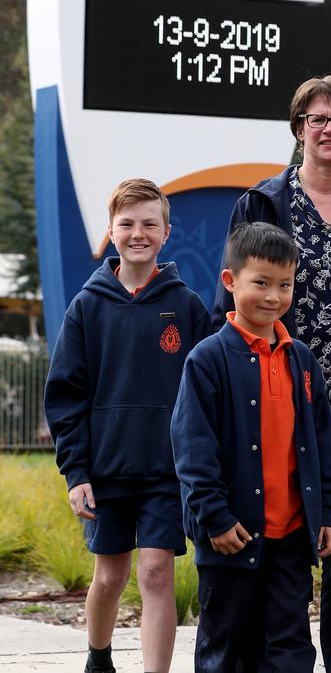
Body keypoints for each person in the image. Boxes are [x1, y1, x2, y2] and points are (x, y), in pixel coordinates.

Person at [212, 74, 331, 672]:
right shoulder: (262, 203)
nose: (328, 129)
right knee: (290, 537)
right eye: (317, 120)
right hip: (279, 390)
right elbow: (240, 291)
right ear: (298, 130)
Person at [44, 178, 211, 673]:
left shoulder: (187, 306)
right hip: (105, 471)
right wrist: (77, 474)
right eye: (127, 224)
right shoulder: (86, 307)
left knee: (156, 573)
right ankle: (99, 656)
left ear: (166, 233)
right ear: (111, 232)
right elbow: (66, 396)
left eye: (149, 224)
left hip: (166, 472)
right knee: (110, 577)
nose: (138, 233)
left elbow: (206, 391)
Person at [171, 222, 331, 672]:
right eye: (260, 283)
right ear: (230, 281)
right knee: (225, 650)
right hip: (231, 538)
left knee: (289, 651)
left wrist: (325, 516)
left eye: (284, 285)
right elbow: (193, 449)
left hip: (291, 540)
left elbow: (322, 446)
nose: (272, 296)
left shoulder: (302, 361)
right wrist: (216, 519)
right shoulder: (207, 359)